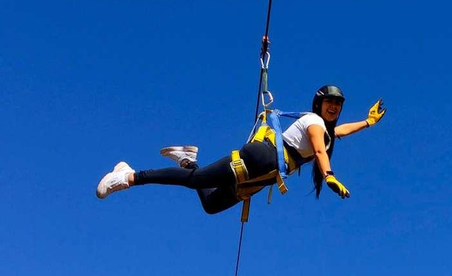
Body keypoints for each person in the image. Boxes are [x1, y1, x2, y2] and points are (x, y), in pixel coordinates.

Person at [95, 86, 385, 214]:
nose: (334, 107)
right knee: (197, 183)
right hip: (262, 158)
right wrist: (330, 175)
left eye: (338, 104)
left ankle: (187, 159)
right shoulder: (312, 122)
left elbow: (338, 132)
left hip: (266, 175)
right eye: (329, 102)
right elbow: (321, 150)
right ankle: (130, 175)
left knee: (211, 205)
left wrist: (368, 123)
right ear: (318, 105)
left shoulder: (326, 130)